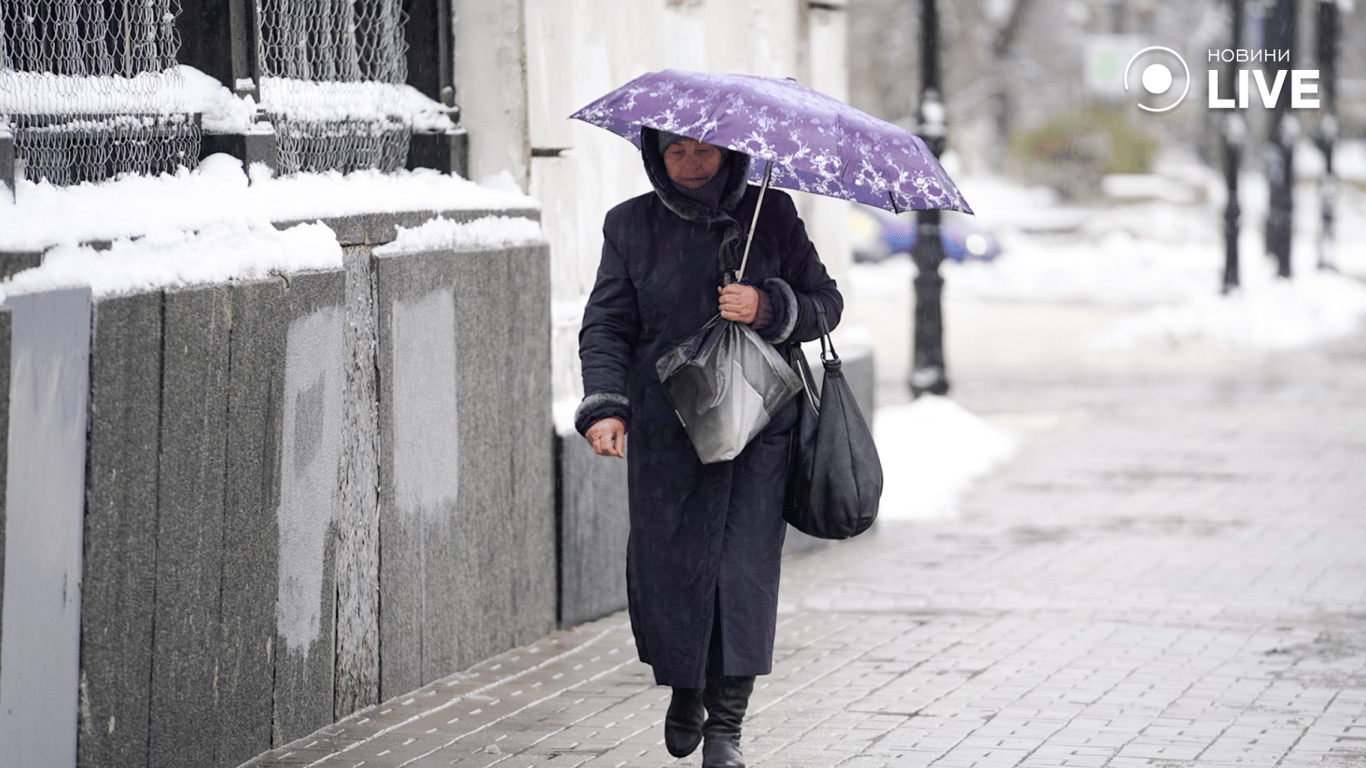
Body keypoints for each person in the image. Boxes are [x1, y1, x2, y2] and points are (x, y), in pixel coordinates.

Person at [574, 127, 842, 768]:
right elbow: (606, 323)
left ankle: (726, 727)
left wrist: (769, 305)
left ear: (729, 154)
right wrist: (606, 406)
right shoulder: (629, 225)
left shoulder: (769, 213)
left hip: (757, 429)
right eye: (675, 152)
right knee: (671, 571)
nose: (690, 163)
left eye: (703, 151)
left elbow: (827, 304)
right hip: (668, 433)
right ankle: (686, 689)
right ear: (655, 157)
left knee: (741, 572)